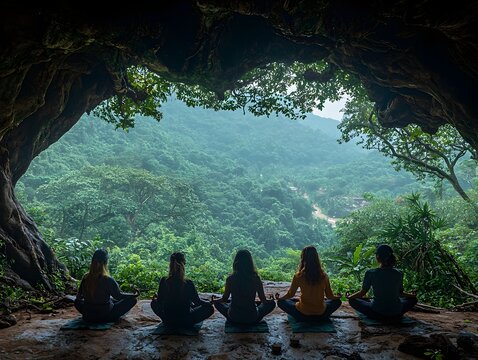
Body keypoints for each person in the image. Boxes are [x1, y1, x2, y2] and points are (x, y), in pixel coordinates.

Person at [347, 244, 417, 320]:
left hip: (377, 312)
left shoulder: (371, 273)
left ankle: (379, 316)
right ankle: (393, 315)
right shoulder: (399, 273)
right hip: (396, 312)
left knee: (353, 301)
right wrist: (412, 295)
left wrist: (349, 297)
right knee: (413, 300)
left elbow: (362, 293)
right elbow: (400, 294)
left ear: (378, 257)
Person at [276, 246, 342, 322]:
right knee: (337, 302)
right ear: (316, 258)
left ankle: (305, 317)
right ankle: (319, 318)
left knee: (282, 302)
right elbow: (329, 296)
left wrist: (280, 298)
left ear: (303, 258)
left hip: (303, 315)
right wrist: (338, 296)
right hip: (321, 314)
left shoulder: (299, 276)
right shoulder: (324, 276)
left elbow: (290, 294)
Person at [150, 252, 214, 327]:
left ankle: (168, 321)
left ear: (170, 264)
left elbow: (160, 302)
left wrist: (156, 299)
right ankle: (184, 323)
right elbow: (197, 302)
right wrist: (209, 303)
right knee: (210, 309)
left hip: (168, 320)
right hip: (186, 320)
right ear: (183, 264)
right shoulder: (188, 283)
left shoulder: (164, 281)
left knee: (153, 303)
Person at [75, 249, 139, 323]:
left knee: (77, 302)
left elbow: (79, 297)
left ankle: (92, 314)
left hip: (88, 316)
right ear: (105, 262)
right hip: (105, 316)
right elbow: (118, 296)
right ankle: (108, 317)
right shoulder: (108, 279)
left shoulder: (85, 277)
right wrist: (133, 294)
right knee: (132, 300)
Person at [213, 249, 275, 324]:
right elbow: (263, 300)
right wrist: (271, 299)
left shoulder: (230, 279)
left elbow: (224, 299)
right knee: (272, 304)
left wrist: (214, 301)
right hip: (252, 317)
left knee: (218, 303)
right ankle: (253, 320)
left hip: (234, 317)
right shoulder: (255, 278)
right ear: (250, 262)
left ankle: (234, 321)